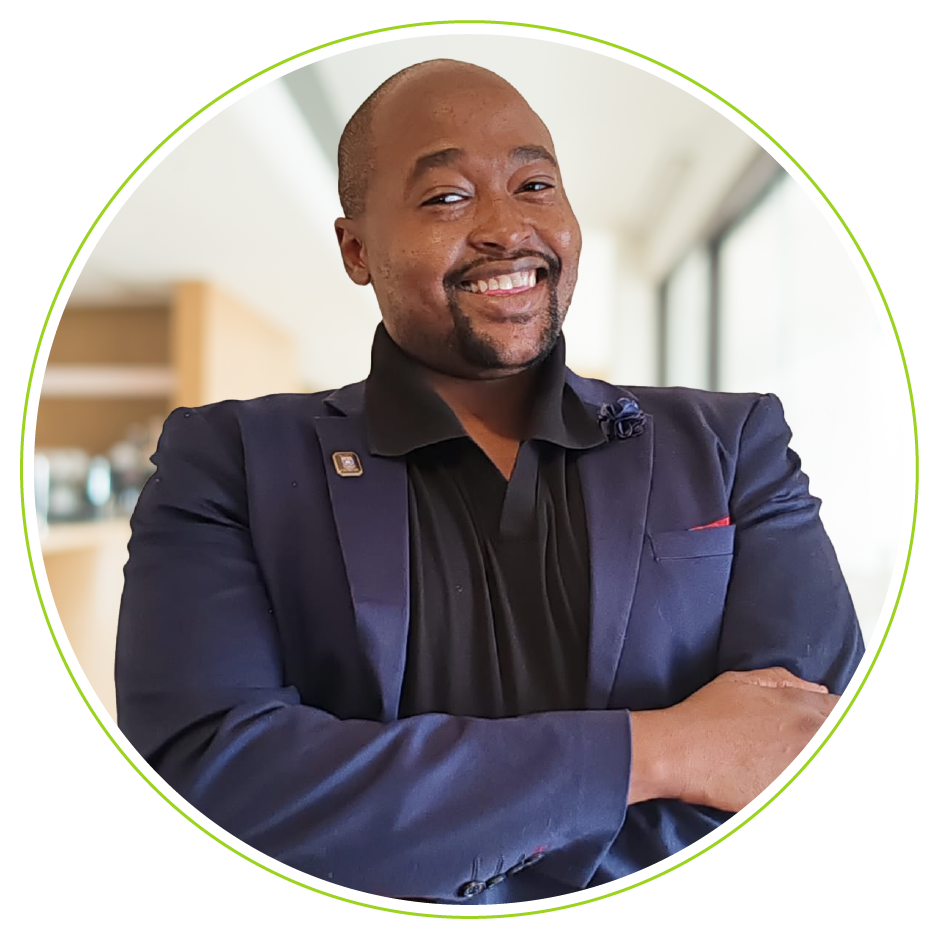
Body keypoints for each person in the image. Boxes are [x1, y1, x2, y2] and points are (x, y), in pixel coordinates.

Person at [115, 59, 864, 905]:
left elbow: (799, 751)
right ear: (357, 249)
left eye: (535, 185)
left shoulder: (732, 444)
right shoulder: (229, 461)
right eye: (447, 197)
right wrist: (659, 752)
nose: (508, 228)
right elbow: (211, 782)